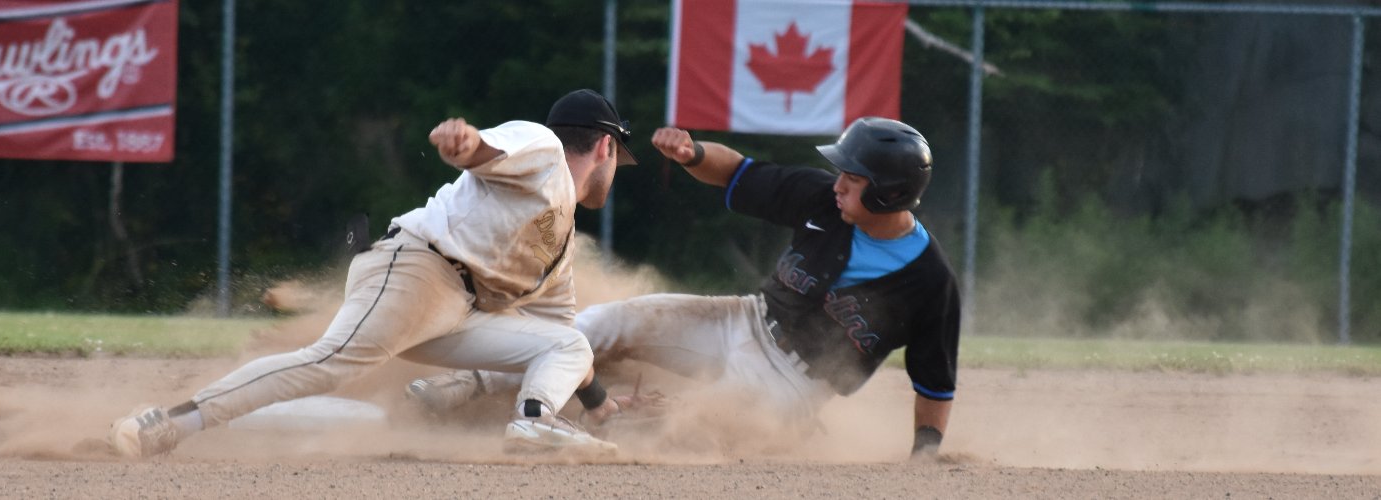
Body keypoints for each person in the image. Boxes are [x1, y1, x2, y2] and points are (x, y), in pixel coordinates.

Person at [109, 89, 639, 458]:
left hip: (454, 313)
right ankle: (167, 422)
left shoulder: (559, 244)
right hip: (418, 271)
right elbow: (493, 149)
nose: (616, 171)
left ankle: (535, 421)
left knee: (568, 344)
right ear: (606, 146)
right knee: (329, 363)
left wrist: (602, 407)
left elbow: (564, 342)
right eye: (618, 158)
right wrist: (468, 145)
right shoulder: (543, 148)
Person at [409, 117, 959, 458]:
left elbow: (935, 384)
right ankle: (472, 386)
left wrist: (925, 458)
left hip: (792, 385)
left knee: (681, 430)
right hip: (742, 319)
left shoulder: (930, 283)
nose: (838, 184)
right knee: (606, 324)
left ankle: (577, 433)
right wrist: (693, 154)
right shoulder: (823, 198)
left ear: (888, 194)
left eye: (853, 179)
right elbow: (737, 171)